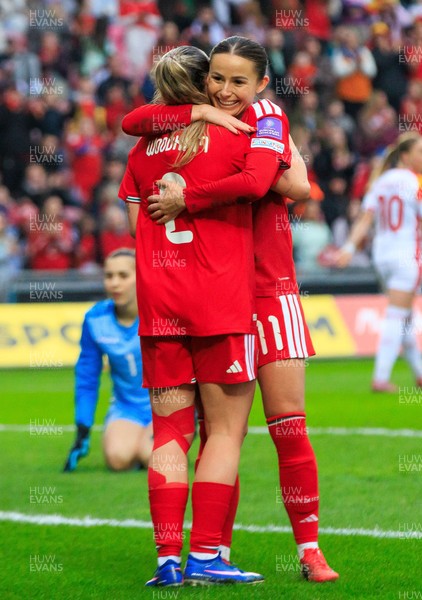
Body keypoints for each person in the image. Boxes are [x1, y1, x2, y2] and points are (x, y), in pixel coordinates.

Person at [122, 36, 338, 583]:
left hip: (268, 290)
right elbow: (295, 186)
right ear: (200, 83)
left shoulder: (262, 117)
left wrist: (272, 132)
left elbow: (296, 185)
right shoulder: (205, 128)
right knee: (224, 431)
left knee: (283, 426)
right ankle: (210, 552)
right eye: (215, 80)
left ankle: (308, 550)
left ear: (260, 82)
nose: (225, 91)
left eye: (237, 81)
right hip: (221, 296)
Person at [337, 134, 422, 392]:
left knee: (403, 315)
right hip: (407, 256)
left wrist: (349, 248)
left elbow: (365, 219)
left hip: (381, 257)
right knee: (397, 316)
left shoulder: (381, 181)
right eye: (419, 152)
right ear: (406, 156)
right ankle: (381, 378)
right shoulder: (413, 182)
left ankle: (419, 373)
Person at [63, 249, 152, 472]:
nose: (114, 283)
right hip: (126, 407)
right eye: (109, 276)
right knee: (118, 459)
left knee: (152, 456)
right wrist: (82, 430)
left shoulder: (160, 312)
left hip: (167, 406)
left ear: (141, 276)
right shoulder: (95, 319)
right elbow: (87, 377)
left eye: (123, 276)